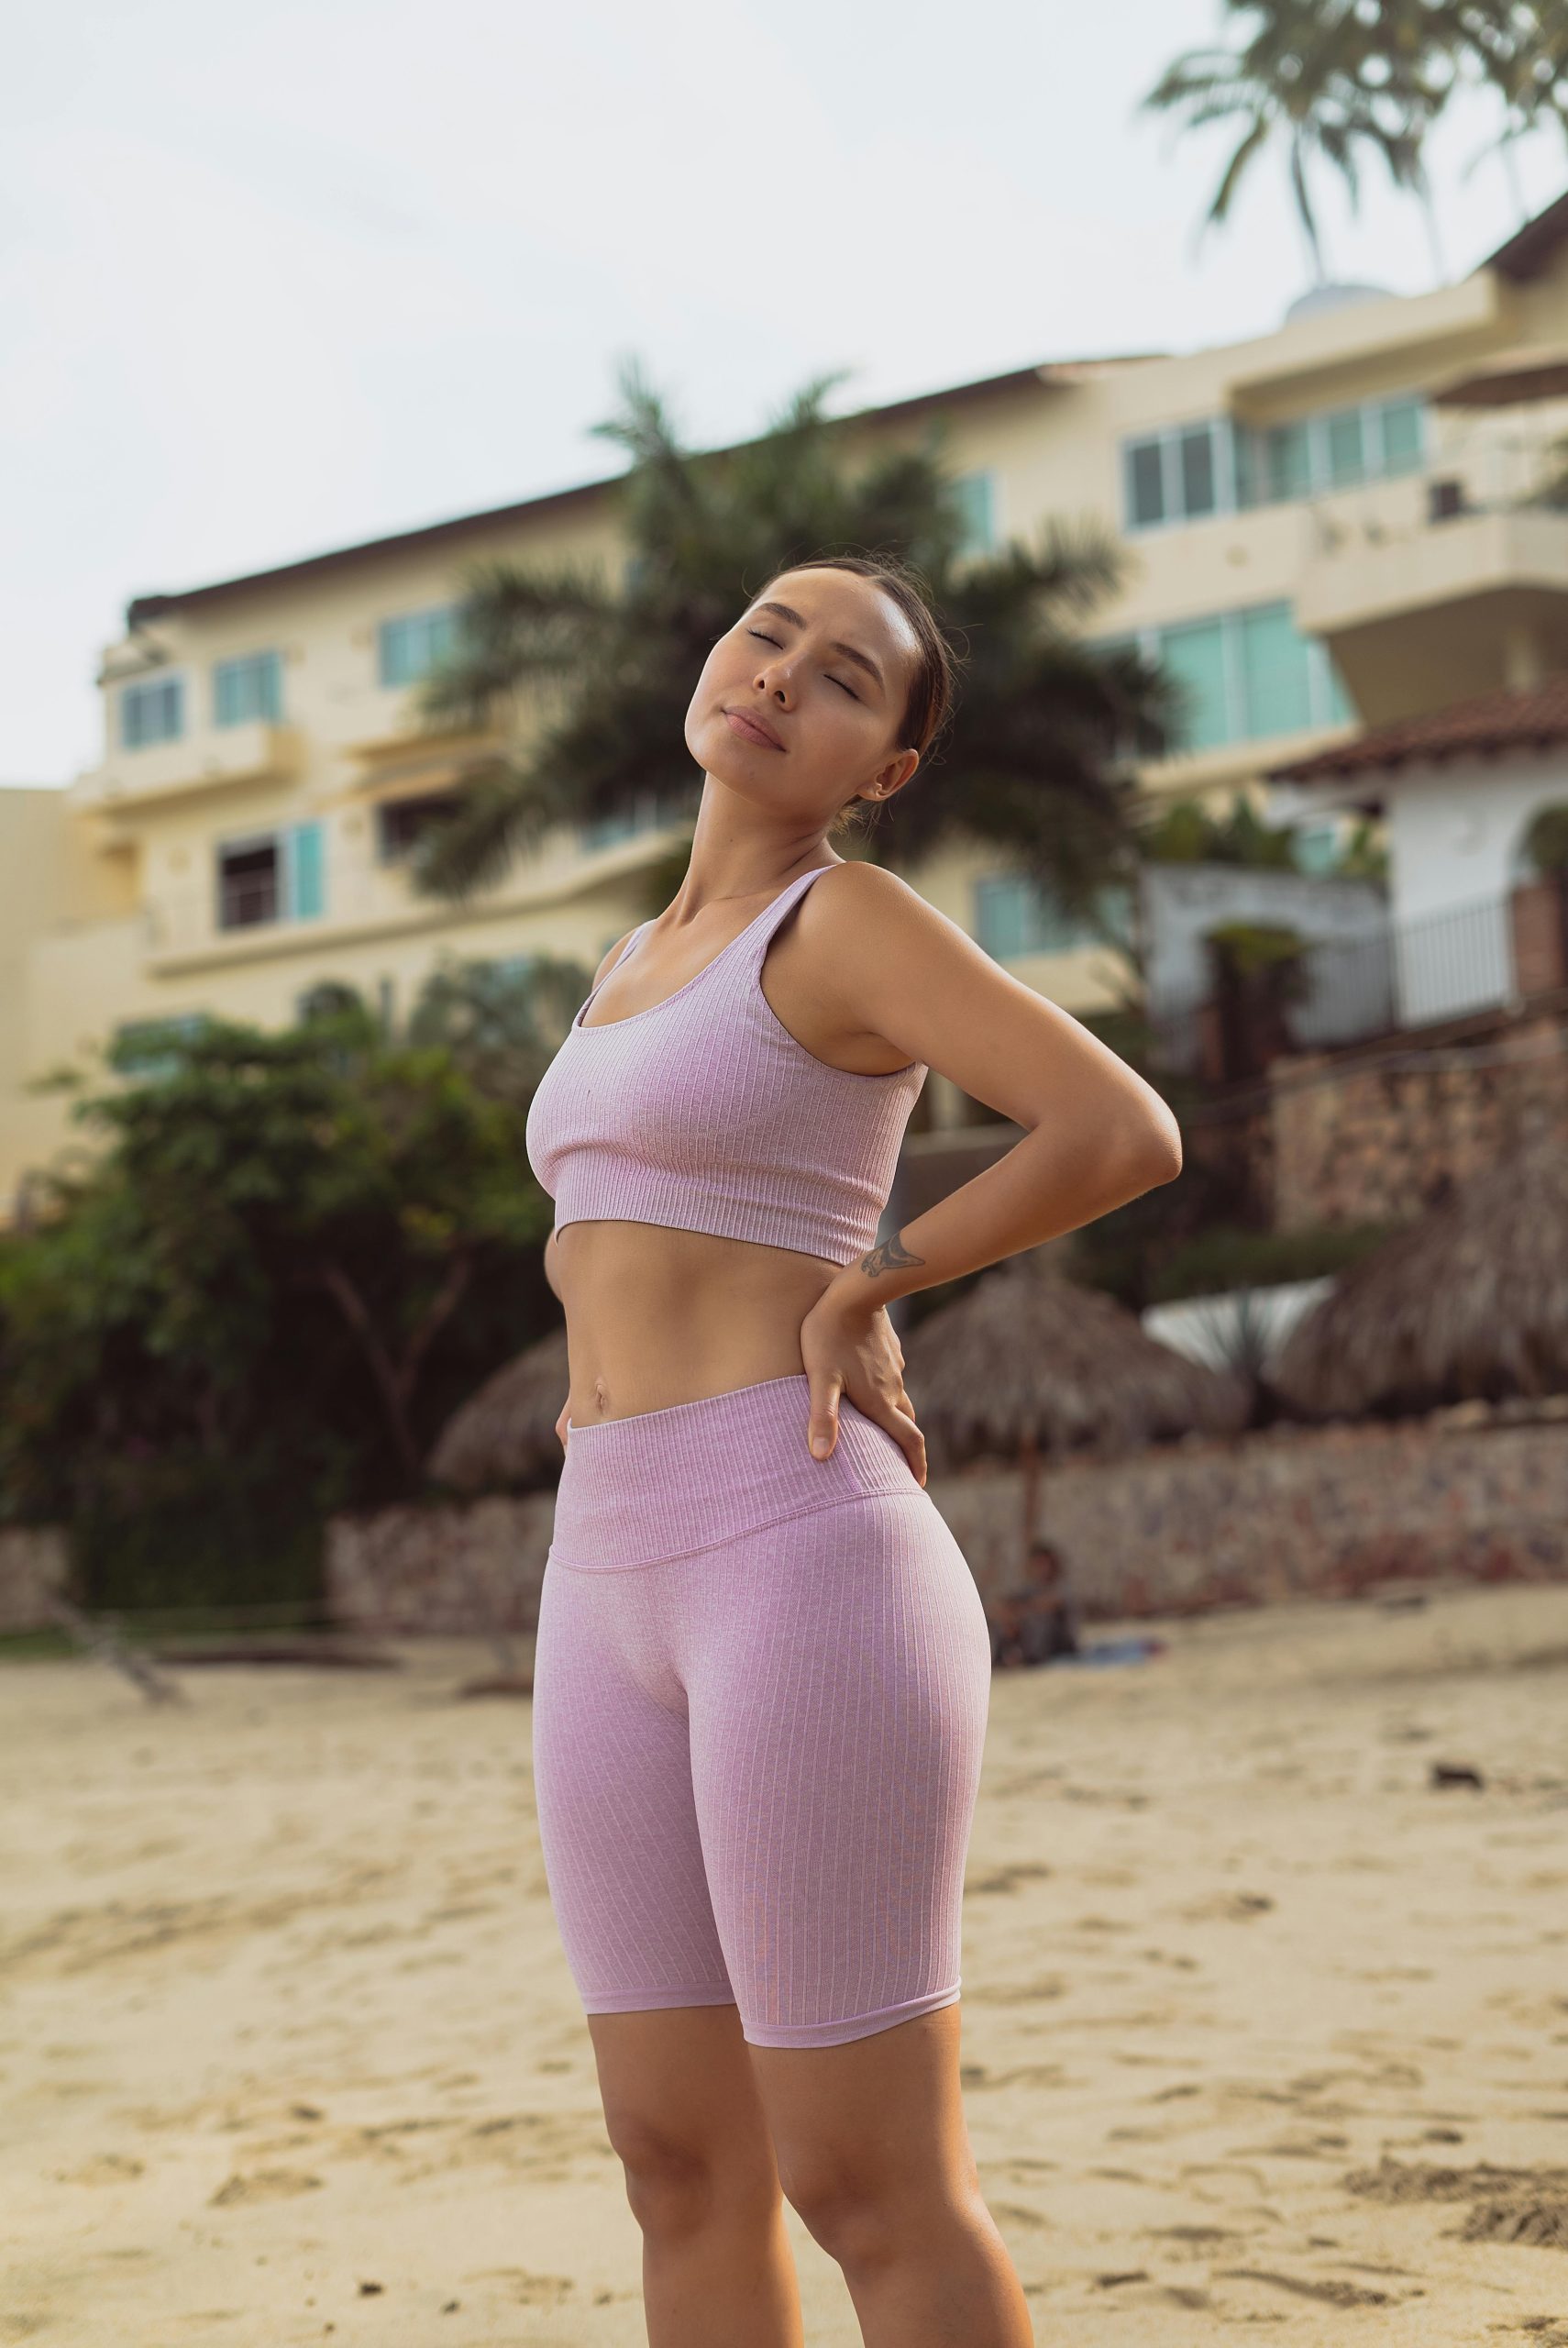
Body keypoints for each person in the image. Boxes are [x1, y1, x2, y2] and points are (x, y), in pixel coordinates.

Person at [524, 553, 1182, 2347]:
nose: (781, 677)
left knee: (865, 2180)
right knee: (674, 2157)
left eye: (844, 678)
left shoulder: (847, 922)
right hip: (601, 1571)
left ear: (881, 764)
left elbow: (1115, 1125)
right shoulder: (627, 962)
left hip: (793, 1551)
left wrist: (878, 1274)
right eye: (764, 635)